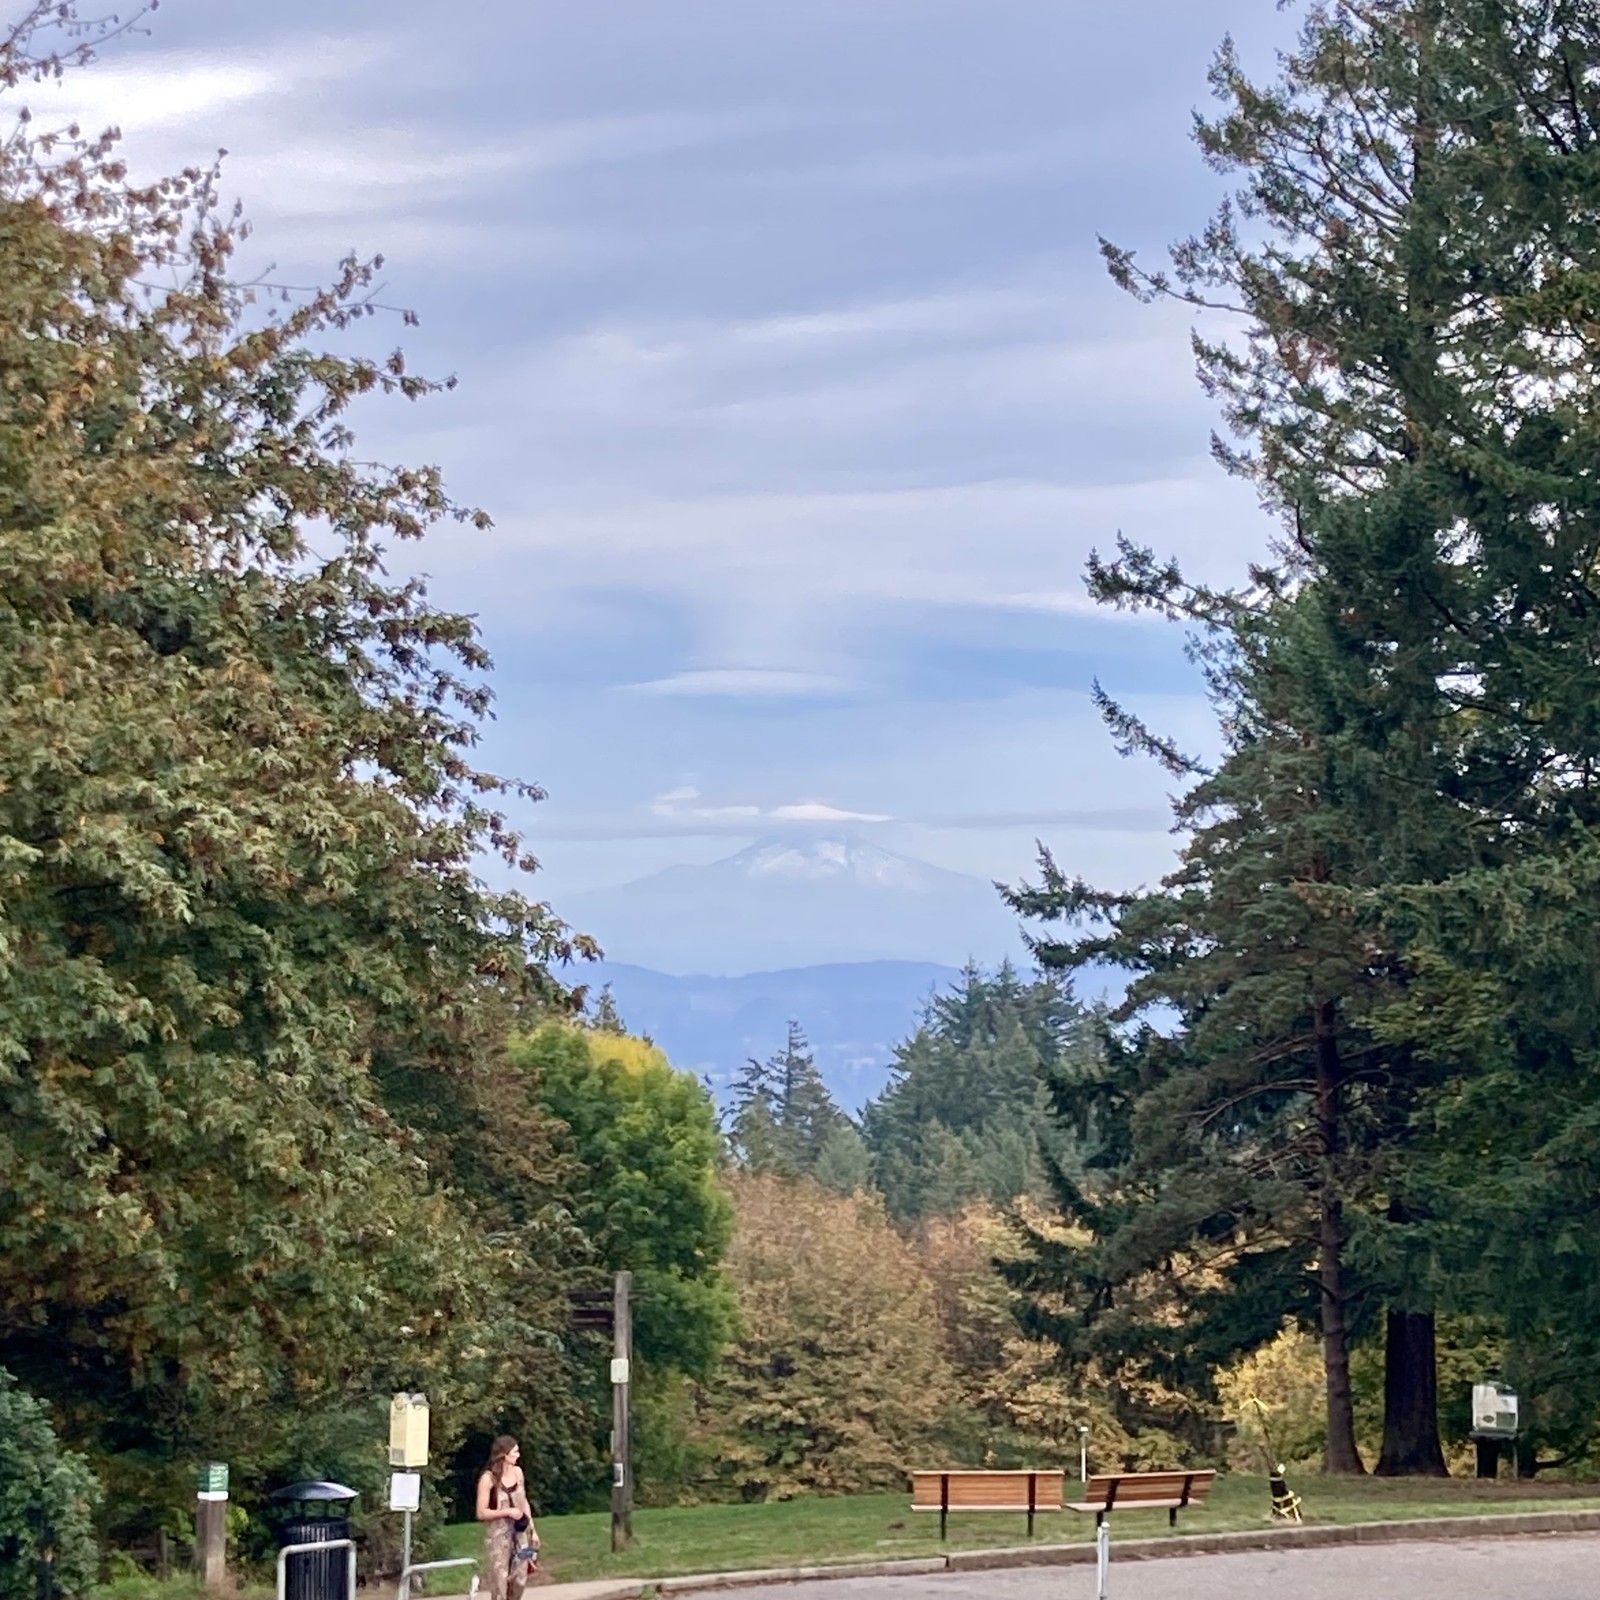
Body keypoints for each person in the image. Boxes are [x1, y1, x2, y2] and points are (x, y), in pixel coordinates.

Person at [476, 1436, 539, 1600]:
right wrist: (506, 1512)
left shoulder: (518, 1473)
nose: (518, 1455)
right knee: (500, 1580)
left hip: (521, 1533)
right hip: (498, 1536)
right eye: (515, 1452)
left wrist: (533, 1530)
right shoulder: (488, 1479)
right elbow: (481, 1512)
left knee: (521, 1575)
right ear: (503, 1454)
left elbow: (524, 1501)